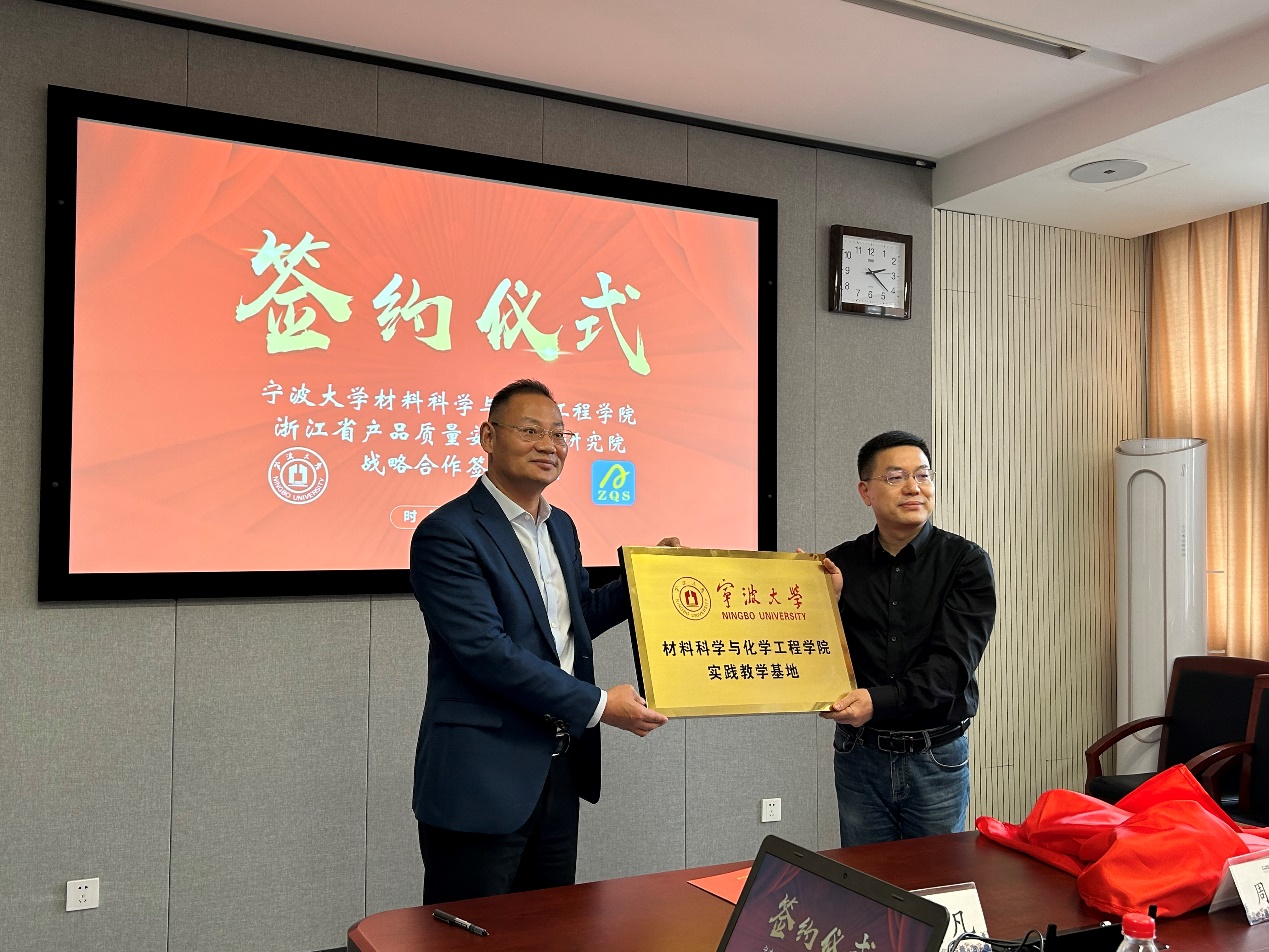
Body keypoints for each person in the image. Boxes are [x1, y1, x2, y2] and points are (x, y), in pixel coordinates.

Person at [410, 378, 672, 903]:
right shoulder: (448, 532)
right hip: (483, 776)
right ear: (488, 436)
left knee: (550, 926)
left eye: (559, 434)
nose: (549, 446)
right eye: (530, 431)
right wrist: (601, 704)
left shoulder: (561, 527)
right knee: (471, 933)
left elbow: (571, 623)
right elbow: (488, 652)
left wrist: (646, 579)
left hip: (558, 768)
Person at [818, 430, 995, 846]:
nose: (914, 487)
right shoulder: (837, 565)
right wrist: (828, 607)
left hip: (936, 755)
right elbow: (814, 655)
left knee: (937, 880)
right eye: (896, 477)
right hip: (859, 754)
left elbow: (951, 670)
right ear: (865, 491)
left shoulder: (965, 563)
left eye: (923, 475)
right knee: (864, 877)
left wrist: (876, 701)